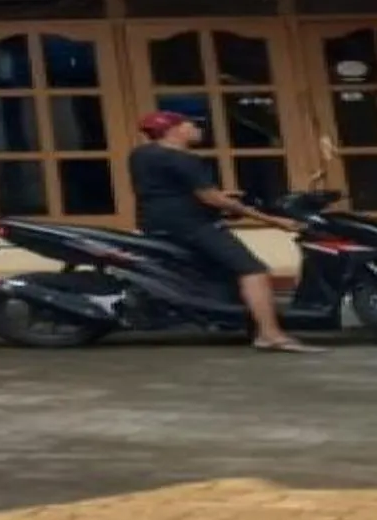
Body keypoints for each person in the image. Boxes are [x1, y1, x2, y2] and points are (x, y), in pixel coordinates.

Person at [128, 109, 317, 352]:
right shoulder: (183, 159)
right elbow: (211, 198)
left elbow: (165, 188)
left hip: (156, 223)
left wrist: (219, 196)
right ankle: (271, 334)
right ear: (175, 129)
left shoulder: (140, 155)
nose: (198, 129)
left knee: (225, 271)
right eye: (192, 125)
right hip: (192, 225)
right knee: (254, 270)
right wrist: (273, 220)